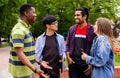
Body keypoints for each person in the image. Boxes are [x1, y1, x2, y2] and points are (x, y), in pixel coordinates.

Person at [9, 4, 46, 78]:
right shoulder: (18, 30)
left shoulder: (25, 29)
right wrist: (35, 70)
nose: (35, 15)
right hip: (22, 73)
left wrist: (39, 62)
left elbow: (28, 52)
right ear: (26, 13)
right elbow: (20, 55)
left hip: (28, 70)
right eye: (33, 12)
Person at [66, 7, 96, 78]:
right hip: (73, 64)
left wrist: (91, 64)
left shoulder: (93, 30)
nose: (75, 17)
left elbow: (95, 48)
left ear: (85, 16)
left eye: (78, 15)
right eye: (75, 15)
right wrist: (68, 57)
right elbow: (67, 45)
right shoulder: (72, 29)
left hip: (87, 65)